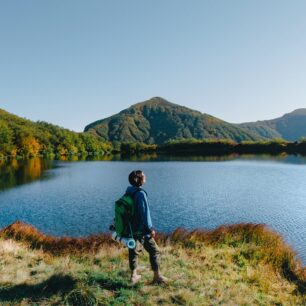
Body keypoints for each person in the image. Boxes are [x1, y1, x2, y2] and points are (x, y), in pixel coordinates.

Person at [125, 170, 168, 284]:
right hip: (140, 229)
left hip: (130, 228)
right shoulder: (140, 194)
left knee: (133, 251)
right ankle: (157, 276)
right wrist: (150, 228)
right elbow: (144, 213)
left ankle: (133, 276)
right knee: (155, 251)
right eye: (144, 176)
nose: (146, 177)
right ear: (139, 179)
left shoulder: (129, 191)